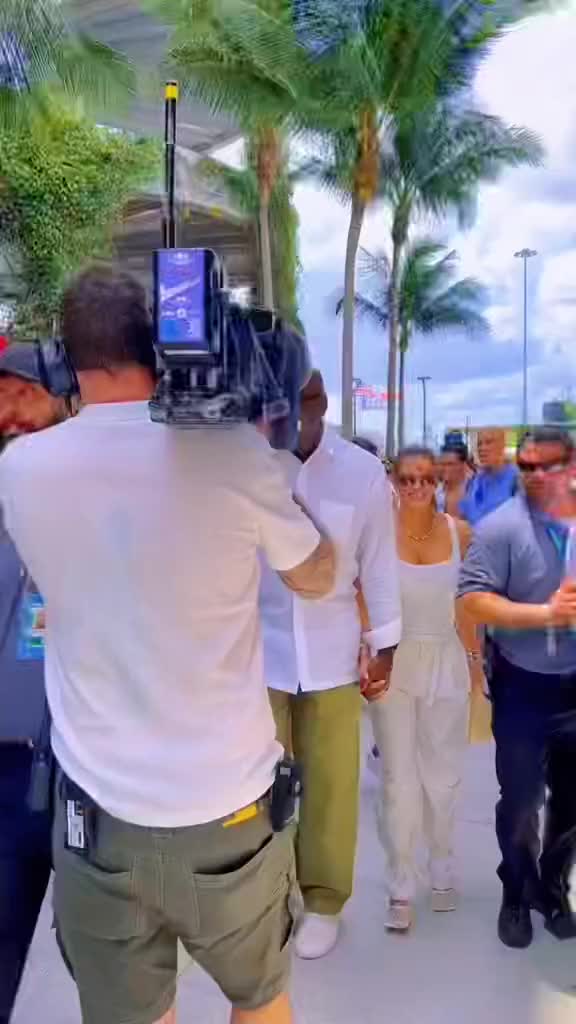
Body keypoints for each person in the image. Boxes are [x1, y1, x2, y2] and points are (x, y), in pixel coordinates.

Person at [0, 267, 337, 1024]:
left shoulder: (19, 470)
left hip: (99, 822)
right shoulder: (232, 455)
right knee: (260, 1000)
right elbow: (317, 577)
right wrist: (269, 470)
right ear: (157, 345)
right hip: (228, 813)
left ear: (64, 359)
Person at [259, 370, 401, 960]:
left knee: (331, 787)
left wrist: (385, 646)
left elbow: (380, 564)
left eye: (305, 406)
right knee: (257, 787)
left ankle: (322, 902)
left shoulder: (361, 473)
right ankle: (266, 897)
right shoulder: (250, 462)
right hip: (256, 654)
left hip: (334, 654)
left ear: (320, 404)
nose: (293, 419)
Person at [458, 427, 576, 949]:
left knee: (571, 801)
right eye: (525, 466)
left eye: (546, 465)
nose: (533, 475)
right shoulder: (500, 527)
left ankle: (552, 886)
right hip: (523, 687)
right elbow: (472, 600)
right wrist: (545, 614)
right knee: (522, 799)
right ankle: (517, 888)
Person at [369, 447, 481, 931]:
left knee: (444, 774)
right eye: (406, 479)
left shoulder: (461, 533)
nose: (415, 487)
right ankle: (400, 881)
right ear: (393, 482)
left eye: (424, 478)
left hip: (446, 657)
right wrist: (367, 655)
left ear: (438, 481)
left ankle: (441, 866)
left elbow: (468, 603)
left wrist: (475, 662)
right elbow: (363, 595)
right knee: (398, 778)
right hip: (394, 660)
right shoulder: (377, 534)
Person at [0, 343, 72, 1024]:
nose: (10, 413)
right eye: (1, 399)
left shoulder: (95, 490)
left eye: (23, 395)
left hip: (78, 761)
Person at [459, 427, 518, 525]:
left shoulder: (517, 479)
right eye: (479, 444)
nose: (482, 448)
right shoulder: (473, 481)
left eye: (489, 442)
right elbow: (464, 516)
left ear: (502, 446)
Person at [437, 442, 469, 517]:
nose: (445, 468)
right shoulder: (436, 493)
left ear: (463, 465)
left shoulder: (474, 491)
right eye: (442, 464)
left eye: (450, 464)